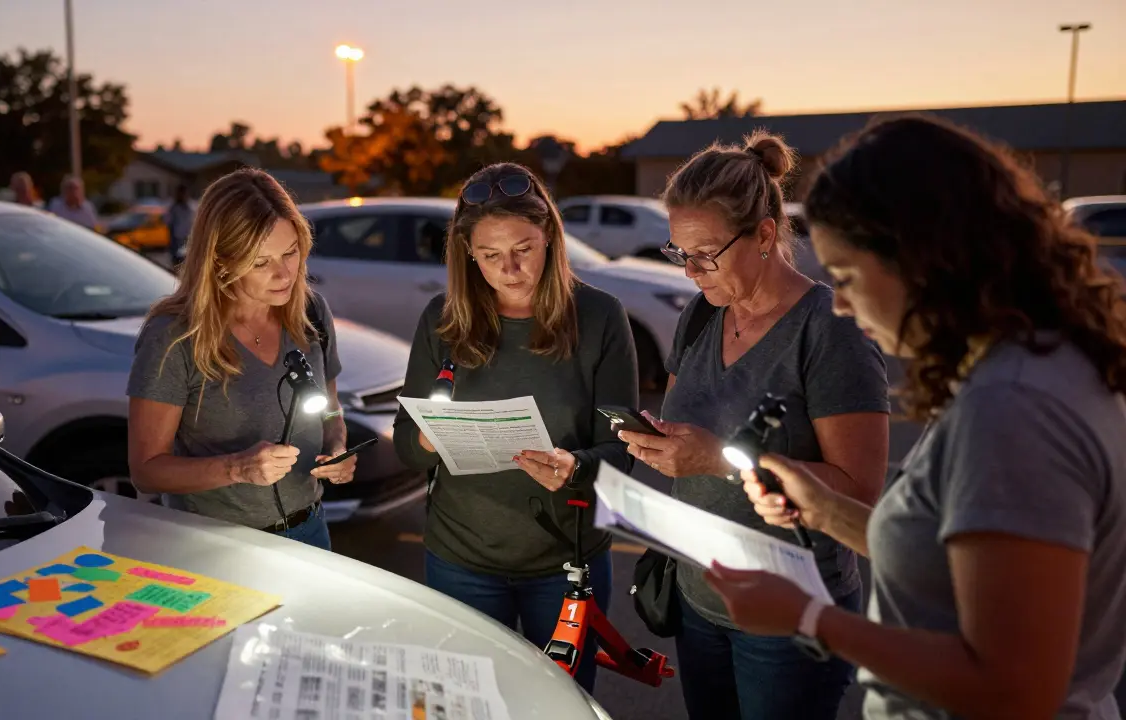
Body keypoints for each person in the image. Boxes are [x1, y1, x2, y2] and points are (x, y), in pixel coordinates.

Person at [707, 114, 1126, 720]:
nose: (843, 306)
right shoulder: (1044, 362)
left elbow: (1014, 690)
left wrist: (806, 616)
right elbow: (956, 569)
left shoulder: (1013, 410)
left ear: (924, 257)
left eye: (847, 277)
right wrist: (824, 510)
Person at [618, 132, 891, 720]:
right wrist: (658, 442)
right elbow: (681, 423)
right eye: (678, 253)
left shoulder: (829, 332)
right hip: (699, 596)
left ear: (765, 235)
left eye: (705, 254)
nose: (690, 273)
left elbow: (862, 494)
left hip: (790, 618)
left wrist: (718, 459)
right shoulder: (702, 313)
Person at [393, 162, 639, 694]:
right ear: (466, 254)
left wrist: (577, 465)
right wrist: (426, 439)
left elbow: (625, 447)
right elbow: (405, 449)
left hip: (568, 563)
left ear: (550, 234)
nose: (509, 269)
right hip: (461, 558)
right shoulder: (443, 319)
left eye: (523, 249)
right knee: (470, 700)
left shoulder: (599, 317)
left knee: (561, 701)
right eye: (489, 256)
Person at [125, 168, 356, 550]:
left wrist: (337, 446)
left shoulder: (311, 312)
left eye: (291, 252)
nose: (284, 274)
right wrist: (238, 468)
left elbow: (330, 409)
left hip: (311, 532)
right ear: (220, 262)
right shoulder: (175, 337)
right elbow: (146, 471)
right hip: (217, 547)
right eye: (260, 262)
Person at [164, 183, 196, 265]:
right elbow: (167, 221)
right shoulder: (173, 207)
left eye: (184, 193)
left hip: (189, 239)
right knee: (177, 262)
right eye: (181, 193)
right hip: (177, 240)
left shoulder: (191, 207)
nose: (183, 196)